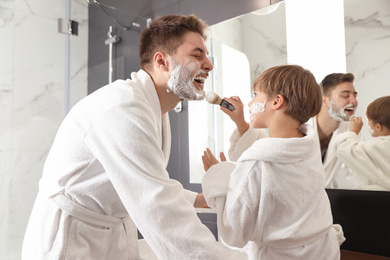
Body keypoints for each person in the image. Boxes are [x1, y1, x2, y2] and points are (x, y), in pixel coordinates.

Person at [22, 14, 232, 260]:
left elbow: (145, 182)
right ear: (162, 61)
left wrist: (196, 199)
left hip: (104, 234)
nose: (209, 65)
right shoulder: (124, 107)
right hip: (70, 239)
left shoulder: (151, 108)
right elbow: (158, 205)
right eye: (197, 55)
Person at [201, 65, 345, 259]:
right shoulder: (307, 146)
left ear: (277, 101)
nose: (251, 103)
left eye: (255, 95)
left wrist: (220, 178)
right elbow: (275, 152)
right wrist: (242, 123)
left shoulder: (255, 164)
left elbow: (235, 232)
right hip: (322, 252)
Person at [221, 72, 360, 188]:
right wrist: (240, 121)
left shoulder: (350, 132)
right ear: (325, 100)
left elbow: (360, 169)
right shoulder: (295, 125)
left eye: (355, 95)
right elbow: (269, 154)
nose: (353, 101)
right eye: (345, 95)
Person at [331, 96, 390, 190]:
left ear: (378, 127)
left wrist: (353, 131)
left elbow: (342, 148)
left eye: (369, 121)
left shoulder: (378, 146)